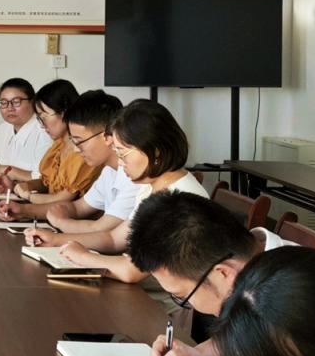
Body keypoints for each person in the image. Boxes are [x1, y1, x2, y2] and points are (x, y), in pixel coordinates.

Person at [126, 191, 294, 356]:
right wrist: (199, 355)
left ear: (223, 274)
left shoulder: (287, 297)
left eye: (182, 296)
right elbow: (241, 338)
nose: (188, 304)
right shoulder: (253, 264)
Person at [41, 99, 208, 283]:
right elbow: (113, 239)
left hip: (161, 298)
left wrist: (83, 257)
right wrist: (55, 240)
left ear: (155, 151)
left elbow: (132, 271)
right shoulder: (150, 186)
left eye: (122, 153)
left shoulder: (179, 198)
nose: (120, 163)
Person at [5, 90, 130, 238]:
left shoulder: (132, 177)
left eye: (79, 141)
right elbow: (77, 207)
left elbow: (102, 230)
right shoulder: (109, 172)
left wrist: (59, 224)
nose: (76, 150)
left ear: (106, 137)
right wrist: (22, 211)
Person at [0, 79, 100, 211]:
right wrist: (18, 187)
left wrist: (29, 197)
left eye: (44, 116)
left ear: (65, 112)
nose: (42, 124)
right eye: (39, 118)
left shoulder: (83, 151)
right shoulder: (58, 146)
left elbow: (65, 198)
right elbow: (46, 182)